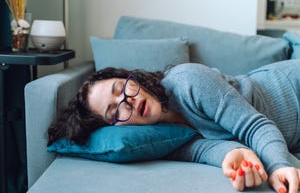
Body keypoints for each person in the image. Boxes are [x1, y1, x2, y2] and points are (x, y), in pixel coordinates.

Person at [47, 59, 300, 193]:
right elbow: (203, 150)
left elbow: (255, 127)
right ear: (115, 126)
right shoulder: (162, 138)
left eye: (122, 88)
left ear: (130, 78)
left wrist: (278, 165)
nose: (129, 101)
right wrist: (235, 155)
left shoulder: (188, 81)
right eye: (115, 110)